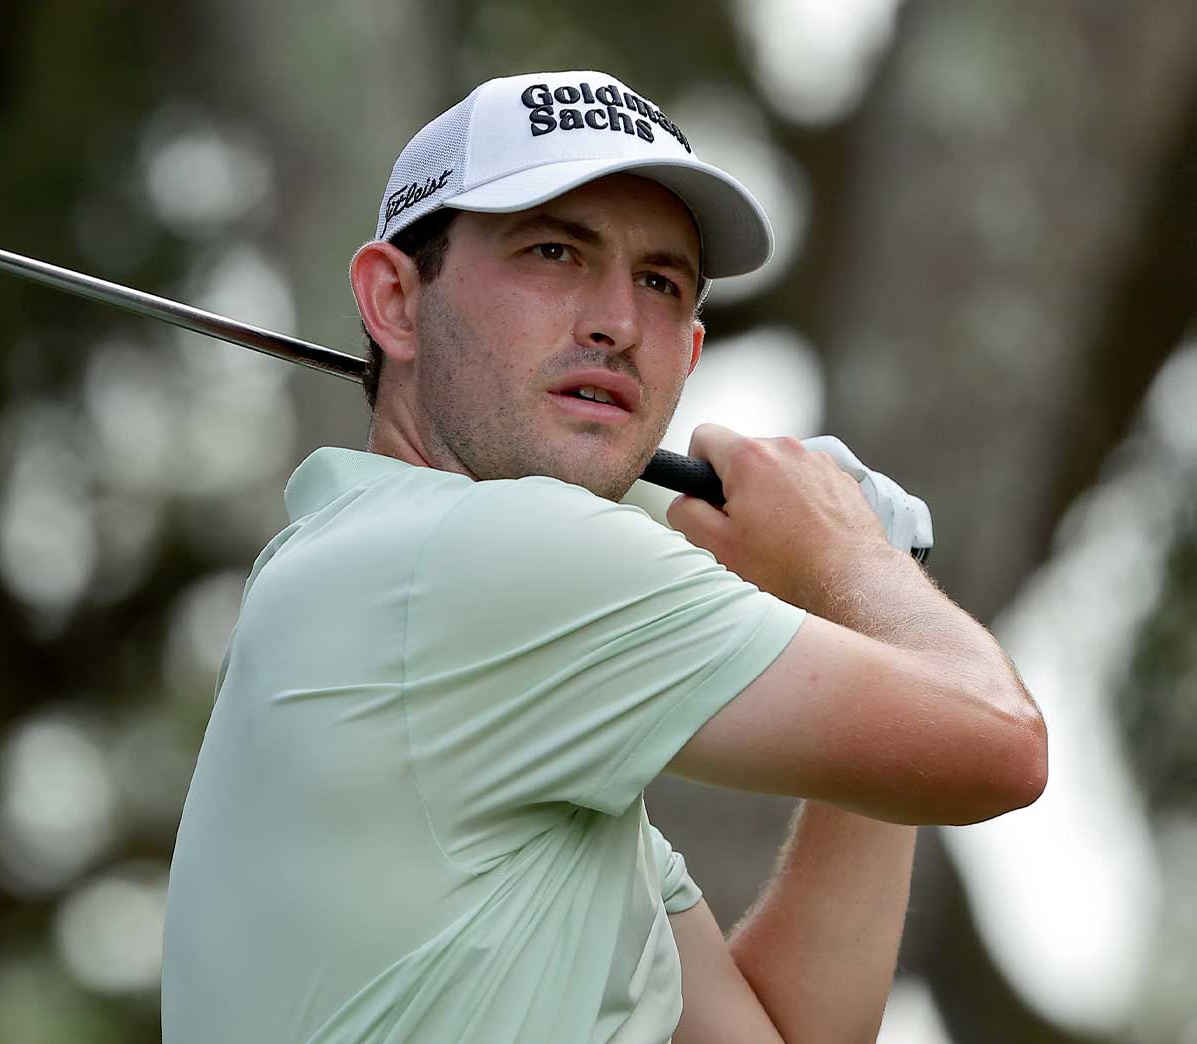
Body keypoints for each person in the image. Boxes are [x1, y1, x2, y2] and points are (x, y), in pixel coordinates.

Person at [160, 70, 1045, 1043]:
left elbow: (789, 1038)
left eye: (658, 282)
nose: (615, 324)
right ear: (394, 301)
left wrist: (860, 583)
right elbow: (997, 747)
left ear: (691, 348)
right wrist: (856, 563)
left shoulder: (411, 593)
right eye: (551, 251)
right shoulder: (481, 556)